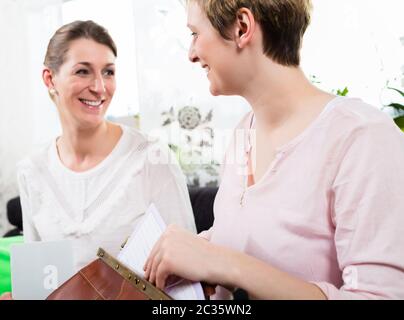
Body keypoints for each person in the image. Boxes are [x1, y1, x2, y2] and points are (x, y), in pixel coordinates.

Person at [143, 0, 404, 299]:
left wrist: (223, 263)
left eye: (194, 33)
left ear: (242, 28)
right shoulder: (244, 132)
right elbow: (249, 234)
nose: (191, 54)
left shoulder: (363, 137)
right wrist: (194, 253)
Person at [2, 21, 196, 301]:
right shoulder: (32, 171)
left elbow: (190, 281)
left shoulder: (151, 158)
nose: (99, 87)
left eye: (108, 72)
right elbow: (39, 290)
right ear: (49, 79)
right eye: (83, 71)